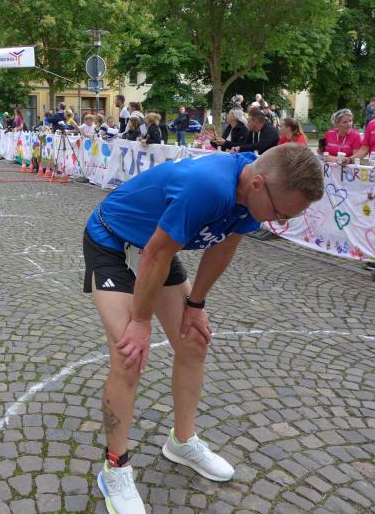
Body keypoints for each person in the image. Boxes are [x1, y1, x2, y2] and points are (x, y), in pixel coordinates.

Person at [83, 144, 323, 513]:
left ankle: (181, 442)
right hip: (113, 241)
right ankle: (115, 468)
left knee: (193, 341)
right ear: (258, 184)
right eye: (279, 213)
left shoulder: (252, 191)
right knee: (128, 355)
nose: (278, 222)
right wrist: (141, 322)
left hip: (154, 249)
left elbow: (223, 248)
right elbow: (157, 254)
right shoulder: (208, 186)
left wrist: (195, 305)